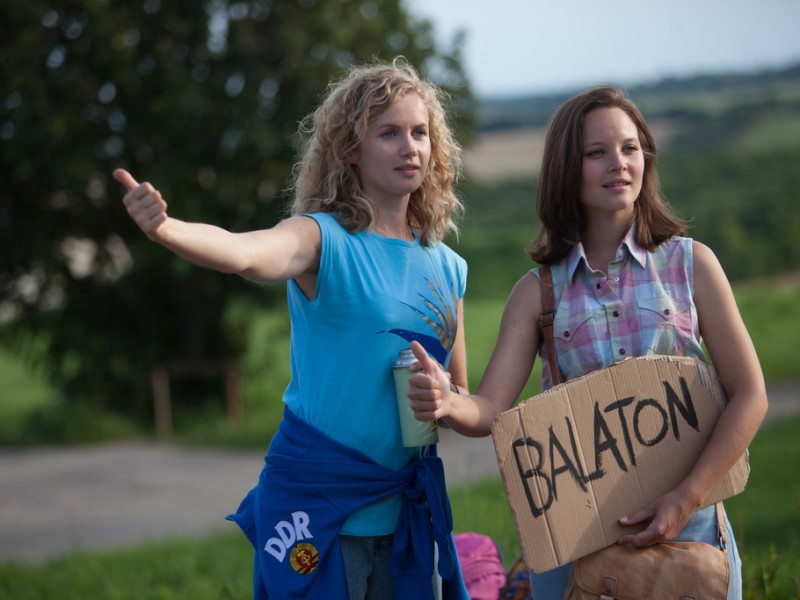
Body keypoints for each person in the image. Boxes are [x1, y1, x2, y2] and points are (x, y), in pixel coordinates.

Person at [115, 58, 470, 600]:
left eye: (420, 133)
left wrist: (446, 400)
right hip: (320, 514)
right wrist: (167, 229)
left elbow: (463, 398)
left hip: (406, 521)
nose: (410, 147)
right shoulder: (322, 238)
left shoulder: (448, 266)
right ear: (350, 149)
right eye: (389, 133)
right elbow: (246, 253)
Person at [407, 86, 768, 599]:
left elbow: (750, 394)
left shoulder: (693, 265)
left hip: (691, 538)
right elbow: (490, 410)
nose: (618, 163)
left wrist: (685, 499)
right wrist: (447, 402)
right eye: (596, 153)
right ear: (565, 171)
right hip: (578, 554)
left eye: (629, 147)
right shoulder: (537, 293)